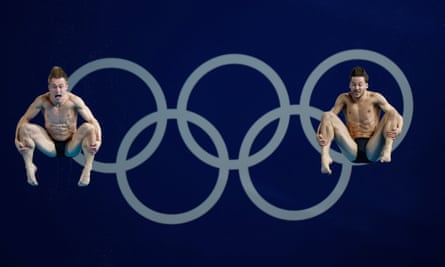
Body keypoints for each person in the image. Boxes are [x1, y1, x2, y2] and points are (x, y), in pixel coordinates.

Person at [15, 66, 102, 186]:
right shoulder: (42, 101)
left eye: (61, 87)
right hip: (49, 145)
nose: (58, 90)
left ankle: (88, 168)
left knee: (90, 128)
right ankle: (29, 166)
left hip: (71, 146)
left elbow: (93, 120)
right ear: (49, 87)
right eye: (54, 87)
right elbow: (24, 119)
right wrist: (16, 140)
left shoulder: (74, 101)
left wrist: (99, 141)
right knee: (24, 128)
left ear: (66, 86)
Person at [316, 66, 403, 174]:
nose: (356, 88)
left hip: (373, 147)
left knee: (392, 112)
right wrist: (318, 133)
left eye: (360, 85)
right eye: (354, 84)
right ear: (349, 85)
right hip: (351, 147)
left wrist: (399, 130)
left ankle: (387, 149)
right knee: (326, 115)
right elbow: (327, 119)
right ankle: (325, 157)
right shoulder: (344, 98)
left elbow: (397, 116)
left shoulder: (375, 97)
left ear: (366, 85)